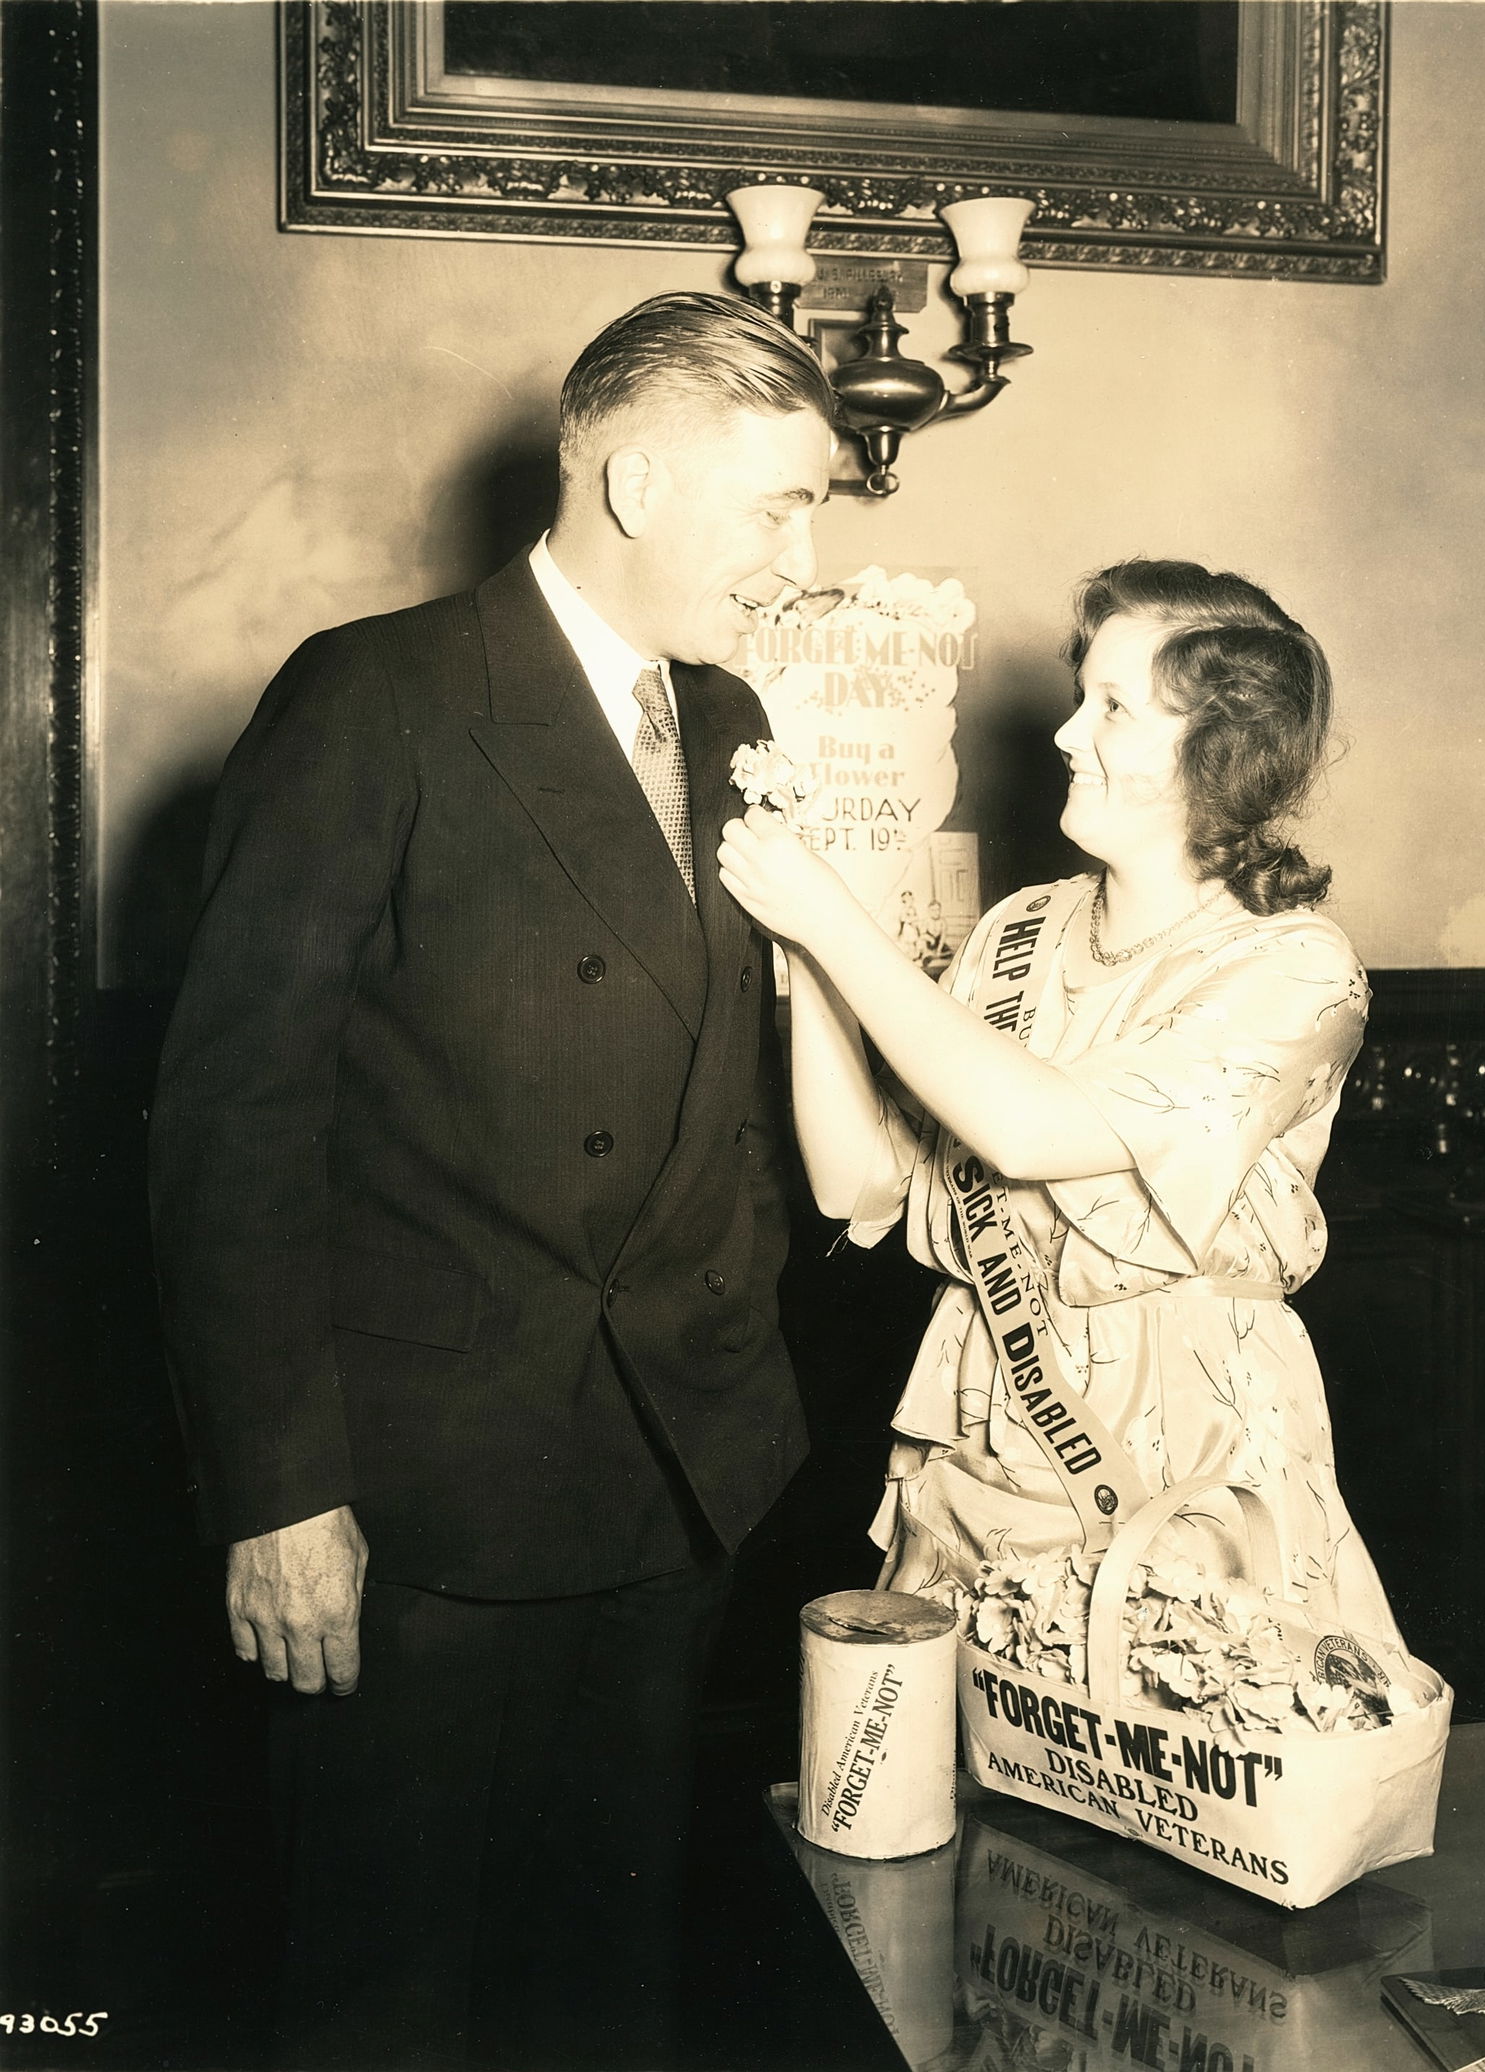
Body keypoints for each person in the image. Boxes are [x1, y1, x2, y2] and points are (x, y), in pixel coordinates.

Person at [148, 291, 835, 2070]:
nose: (806, 553)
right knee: (387, 2001)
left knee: (606, 1984)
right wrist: (278, 1492)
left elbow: (736, 1094)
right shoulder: (374, 697)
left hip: (676, 1474)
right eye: (781, 507)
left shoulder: (742, 713)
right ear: (635, 477)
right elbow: (235, 1119)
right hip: (418, 1505)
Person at [719, 557, 1400, 1644]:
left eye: (1114, 707)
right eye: (1083, 695)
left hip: (1183, 1460)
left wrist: (839, 922)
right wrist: (806, 944)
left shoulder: (1294, 968)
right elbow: (859, 1179)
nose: (1065, 734)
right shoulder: (1018, 930)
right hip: (981, 1437)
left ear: (1220, 752)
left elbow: (1028, 1128)